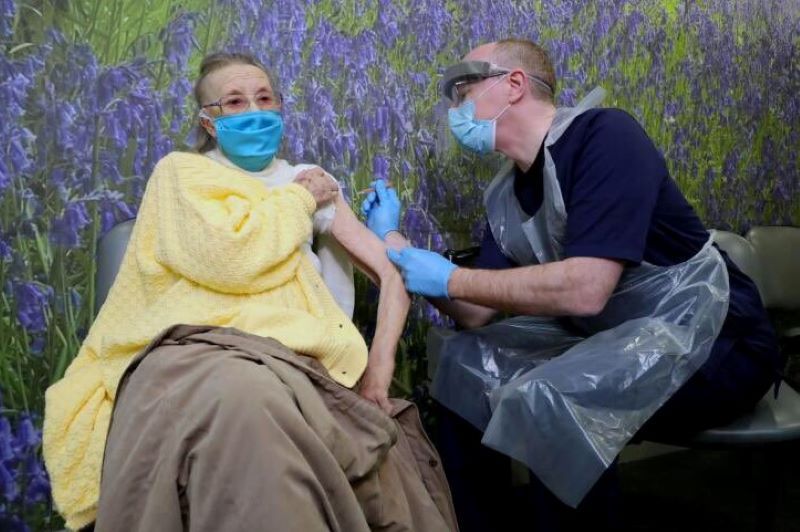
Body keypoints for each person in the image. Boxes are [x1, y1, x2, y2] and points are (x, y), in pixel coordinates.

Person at [363, 38, 782, 531]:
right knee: (463, 360)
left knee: (550, 399)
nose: (455, 106)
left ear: (513, 85)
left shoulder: (605, 136)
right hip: (614, 339)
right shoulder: (507, 193)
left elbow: (586, 290)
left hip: (714, 343)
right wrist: (394, 243)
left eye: (464, 87)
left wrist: (451, 275)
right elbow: (475, 310)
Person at [43, 52, 457, 532]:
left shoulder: (308, 178)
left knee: (283, 411)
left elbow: (391, 275)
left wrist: (378, 378)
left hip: (289, 356)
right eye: (234, 102)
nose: (254, 110)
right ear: (210, 123)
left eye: (265, 98)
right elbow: (228, 259)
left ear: (281, 108)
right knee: (246, 401)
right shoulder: (182, 174)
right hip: (195, 346)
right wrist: (301, 200)